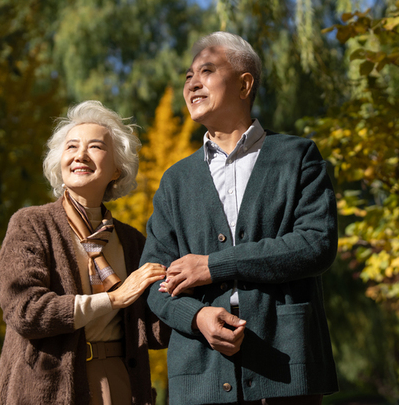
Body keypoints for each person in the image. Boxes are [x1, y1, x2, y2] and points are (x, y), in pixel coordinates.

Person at [140, 32, 339, 405]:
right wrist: (196, 317)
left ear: (245, 83)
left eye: (207, 71)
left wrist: (215, 266)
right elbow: (154, 280)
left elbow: (316, 244)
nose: (192, 83)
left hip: (284, 367)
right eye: (188, 76)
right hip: (201, 378)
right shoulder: (175, 181)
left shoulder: (297, 156)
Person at [0, 101, 170, 405]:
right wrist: (113, 298)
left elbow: (153, 329)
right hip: (47, 388)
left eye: (95, 146)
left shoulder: (133, 241)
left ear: (116, 168)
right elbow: (25, 312)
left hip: (122, 381)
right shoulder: (31, 224)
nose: (80, 155)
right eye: (71, 146)